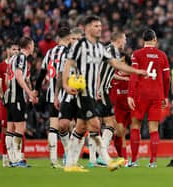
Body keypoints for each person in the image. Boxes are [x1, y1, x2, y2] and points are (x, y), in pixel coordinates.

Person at [63, 15, 146, 172]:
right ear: (87, 28)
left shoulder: (101, 48)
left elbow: (114, 66)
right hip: (86, 90)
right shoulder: (81, 45)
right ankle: (104, 159)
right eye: (96, 26)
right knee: (97, 124)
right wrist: (66, 84)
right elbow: (69, 64)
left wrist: (136, 71)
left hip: (97, 91)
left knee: (82, 127)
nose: (99, 29)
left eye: (100, 26)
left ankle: (71, 162)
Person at [127, 29, 170, 167]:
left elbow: (133, 76)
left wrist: (130, 95)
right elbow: (166, 78)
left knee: (135, 126)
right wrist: (165, 96)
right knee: (154, 129)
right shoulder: (162, 55)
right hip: (157, 95)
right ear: (155, 39)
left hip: (141, 94)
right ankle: (153, 161)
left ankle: (134, 160)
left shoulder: (137, 54)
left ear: (143, 40)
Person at [35, 26, 73, 168]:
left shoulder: (50, 52)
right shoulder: (69, 52)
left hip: (51, 93)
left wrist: (36, 91)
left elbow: (42, 74)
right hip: (66, 93)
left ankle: (53, 159)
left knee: (53, 127)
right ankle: (69, 155)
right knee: (70, 125)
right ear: (69, 39)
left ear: (58, 38)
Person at [90, 31, 128, 168]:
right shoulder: (112, 51)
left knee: (96, 124)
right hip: (101, 91)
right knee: (111, 124)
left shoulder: (108, 50)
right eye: (124, 39)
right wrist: (97, 89)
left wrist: (123, 78)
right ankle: (101, 156)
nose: (126, 42)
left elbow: (108, 72)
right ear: (119, 40)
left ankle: (93, 159)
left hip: (101, 90)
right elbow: (99, 71)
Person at [4, 36, 37, 167]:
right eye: (33, 45)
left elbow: (7, 79)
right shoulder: (22, 58)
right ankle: (17, 159)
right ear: (29, 46)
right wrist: (29, 93)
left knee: (10, 128)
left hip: (10, 96)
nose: (34, 47)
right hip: (17, 97)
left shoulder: (12, 58)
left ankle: (12, 158)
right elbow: (18, 76)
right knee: (20, 128)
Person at [57, 27, 83, 166]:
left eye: (79, 39)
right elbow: (60, 76)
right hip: (67, 94)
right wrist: (56, 96)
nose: (76, 41)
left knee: (81, 127)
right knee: (63, 125)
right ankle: (68, 152)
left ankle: (73, 158)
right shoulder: (64, 55)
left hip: (82, 95)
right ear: (69, 40)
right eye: (74, 39)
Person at [0, 41, 19, 167]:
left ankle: (15, 156)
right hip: (6, 103)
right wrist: (3, 98)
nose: (15, 51)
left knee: (17, 129)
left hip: (17, 102)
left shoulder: (20, 66)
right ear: (7, 50)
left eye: (17, 49)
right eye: (13, 49)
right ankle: (5, 157)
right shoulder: (1, 66)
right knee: (5, 129)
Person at [113, 53, 132, 166]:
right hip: (119, 108)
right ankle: (123, 157)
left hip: (131, 107)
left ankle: (131, 158)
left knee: (134, 131)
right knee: (120, 132)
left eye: (123, 61)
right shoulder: (113, 74)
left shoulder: (133, 73)